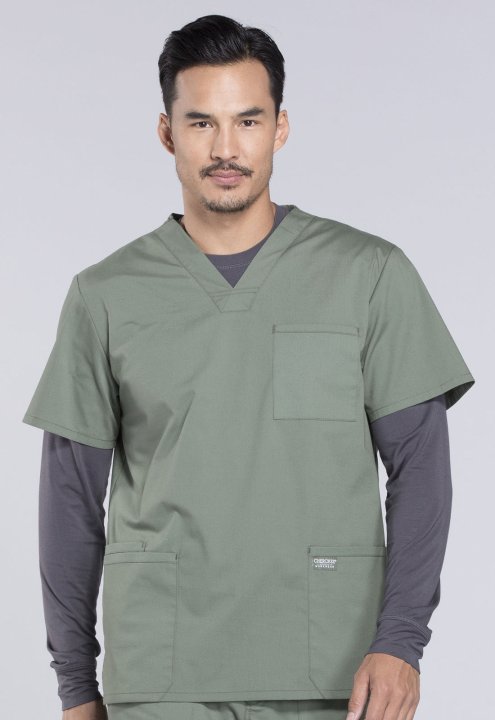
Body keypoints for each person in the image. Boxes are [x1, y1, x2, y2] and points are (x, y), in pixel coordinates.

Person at [22, 14, 475, 720]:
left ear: (280, 128)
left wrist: (400, 642)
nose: (225, 148)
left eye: (248, 121)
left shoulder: (368, 274)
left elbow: (420, 470)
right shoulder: (104, 295)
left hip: (336, 670)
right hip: (162, 675)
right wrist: (76, 685)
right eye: (201, 122)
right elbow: (70, 500)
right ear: (167, 132)